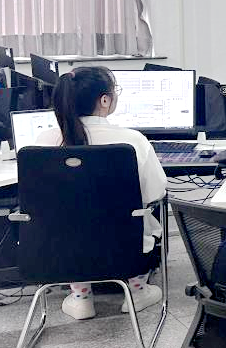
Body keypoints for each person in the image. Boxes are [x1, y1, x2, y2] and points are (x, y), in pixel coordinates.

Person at [34, 67, 167, 320]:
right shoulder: (132, 140)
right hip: (125, 246)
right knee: (144, 217)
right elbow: (156, 191)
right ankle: (137, 292)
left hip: (59, 249)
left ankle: (81, 298)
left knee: (72, 226)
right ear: (105, 100)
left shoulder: (42, 142)